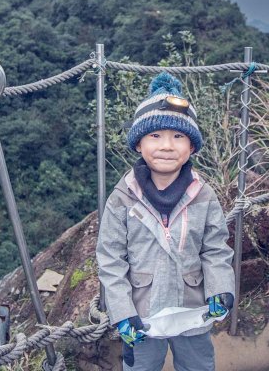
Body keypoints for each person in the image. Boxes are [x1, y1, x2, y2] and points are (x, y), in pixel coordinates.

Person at [96, 72, 236, 371]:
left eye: (178, 136)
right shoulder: (123, 197)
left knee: (198, 364)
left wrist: (220, 289)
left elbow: (215, 250)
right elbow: (111, 259)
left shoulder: (203, 194)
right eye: (155, 135)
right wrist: (121, 311)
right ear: (138, 144)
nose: (167, 146)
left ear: (192, 147)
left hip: (193, 306)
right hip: (142, 311)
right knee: (142, 366)